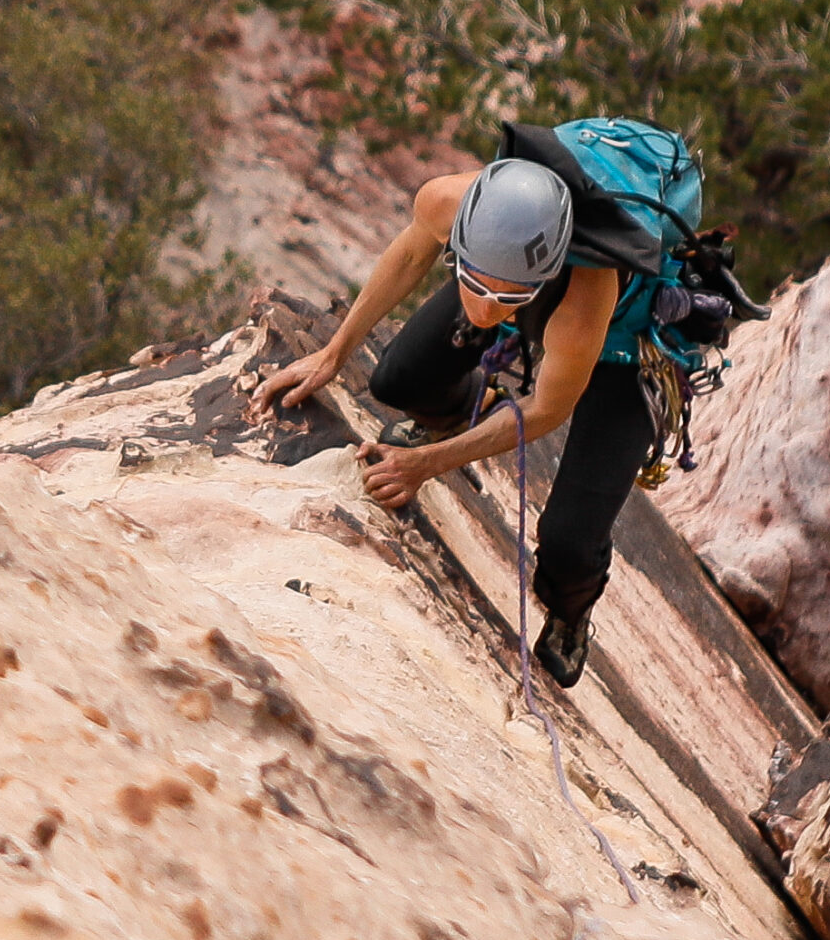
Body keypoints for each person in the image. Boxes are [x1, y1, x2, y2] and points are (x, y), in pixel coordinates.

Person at [253, 140, 669, 688]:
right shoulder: (447, 202)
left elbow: (548, 408)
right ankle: (459, 410)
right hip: (522, 276)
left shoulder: (591, 287)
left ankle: (571, 612)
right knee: (396, 381)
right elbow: (408, 255)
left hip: (627, 347)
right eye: (473, 285)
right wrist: (334, 353)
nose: (486, 310)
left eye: (505, 298)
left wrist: (424, 463)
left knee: (568, 539)